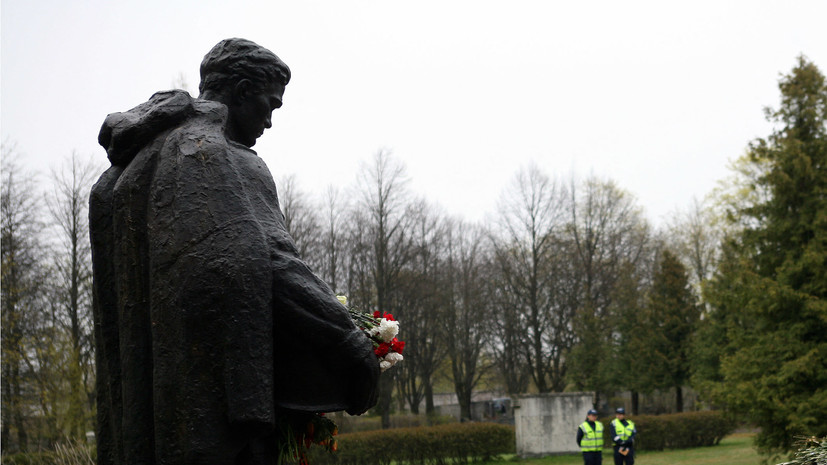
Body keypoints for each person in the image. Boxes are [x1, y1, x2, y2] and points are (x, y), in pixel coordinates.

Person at [90, 38, 379, 465]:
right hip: (217, 416)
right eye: (270, 104)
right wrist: (349, 344)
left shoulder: (127, 167)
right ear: (242, 90)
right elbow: (265, 261)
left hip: (153, 421)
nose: (270, 120)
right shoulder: (219, 155)